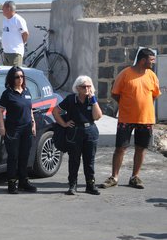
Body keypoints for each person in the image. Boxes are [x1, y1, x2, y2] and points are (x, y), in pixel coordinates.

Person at [100, 48, 161, 190]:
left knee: (141, 148)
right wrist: (127, 105)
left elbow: (155, 95)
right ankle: (114, 177)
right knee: (120, 148)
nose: (153, 63)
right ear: (142, 60)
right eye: (151, 60)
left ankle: (135, 177)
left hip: (146, 119)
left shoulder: (152, 75)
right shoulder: (125, 74)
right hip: (126, 118)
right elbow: (115, 93)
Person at [53, 75, 103, 195]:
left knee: (89, 160)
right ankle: (72, 185)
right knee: (74, 159)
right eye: (83, 86)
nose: (86, 89)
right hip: (75, 132)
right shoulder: (71, 99)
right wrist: (64, 124)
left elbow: (97, 116)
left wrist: (94, 101)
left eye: (88, 86)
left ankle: (90, 185)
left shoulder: (92, 99)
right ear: (77, 88)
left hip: (90, 130)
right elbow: (55, 111)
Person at [0, 66, 38, 194]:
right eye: (17, 77)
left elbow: (30, 108)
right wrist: (2, 127)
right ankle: (11, 183)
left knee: (24, 155)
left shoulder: (26, 91)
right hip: (13, 129)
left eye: (21, 76)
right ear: (11, 79)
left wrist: (33, 123)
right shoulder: (7, 93)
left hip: (27, 128)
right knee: (13, 157)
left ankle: (23, 181)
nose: (20, 79)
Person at [1, 1, 29, 67]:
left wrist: (21, 44)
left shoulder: (18, 19)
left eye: (3, 8)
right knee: (7, 75)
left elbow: (25, 33)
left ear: (8, 9)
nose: (2, 10)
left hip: (15, 53)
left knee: (15, 74)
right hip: (6, 52)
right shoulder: (5, 20)